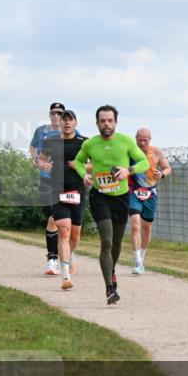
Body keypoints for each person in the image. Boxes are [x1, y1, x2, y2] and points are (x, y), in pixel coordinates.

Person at [71, 105, 149, 305]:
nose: (106, 124)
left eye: (110, 120)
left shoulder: (125, 141)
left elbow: (144, 163)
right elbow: (78, 162)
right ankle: (109, 288)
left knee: (116, 244)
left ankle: (111, 271)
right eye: (102, 120)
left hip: (121, 198)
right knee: (106, 241)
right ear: (97, 123)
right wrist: (85, 175)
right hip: (100, 196)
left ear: (115, 122)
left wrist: (128, 170)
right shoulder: (90, 144)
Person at [38, 110, 88, 290]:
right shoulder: (51, 142)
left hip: (77, 191)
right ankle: (65, 275)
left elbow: (95, 164)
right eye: (64, 120)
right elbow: (40, 160)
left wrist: (80, 165)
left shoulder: (84, 142)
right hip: (56, 189)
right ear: (60, 123)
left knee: (75, 234)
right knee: (64, 230)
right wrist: (44, 165)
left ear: (76, 123)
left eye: (70, 120)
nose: (67, 123)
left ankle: (69, 254)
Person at [128, 127, 172, 275]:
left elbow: (167, 168)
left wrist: (162, 173)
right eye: (139, 139)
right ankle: (137, 262)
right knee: (135, 225)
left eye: (145, 140)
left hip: (150, 193)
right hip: (133, 191)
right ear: (135, 139)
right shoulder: (130, 152)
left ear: (150, 139)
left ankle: (142, 257)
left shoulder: (157, 152)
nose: (142, 142)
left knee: (146, 227)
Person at [30, 102, 66, 275]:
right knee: (53, 217)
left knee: (66, 222)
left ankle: (66, 257)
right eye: (53, 113)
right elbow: (32, 147)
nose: (56, 116)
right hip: (46, 180)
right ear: (49, 114)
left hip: (65, 181)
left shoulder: (69, 131)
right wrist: (37, 161)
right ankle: (52, 259)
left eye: (60, 113)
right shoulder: (41, 131)